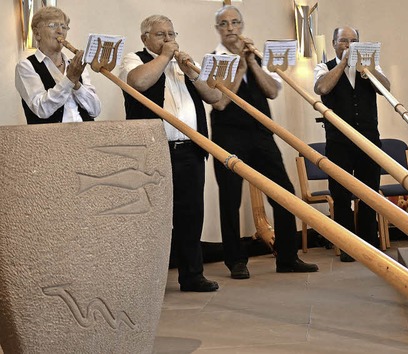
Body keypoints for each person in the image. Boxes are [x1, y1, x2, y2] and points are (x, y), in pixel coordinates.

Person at [210, 5, 318, 279]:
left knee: (283, 191)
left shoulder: (257, 57)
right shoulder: (212, 59)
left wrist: (252, 63)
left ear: (242, 26)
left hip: (261, 134)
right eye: (225, 24)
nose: (231, 28)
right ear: (218, 30)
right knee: (230, 198)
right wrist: (239, 68)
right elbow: (220, 102)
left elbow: (271, 91)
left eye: (235, 22)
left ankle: (288, 257)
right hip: (228, 134)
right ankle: (235, 260)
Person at [119, 15, 222, 292]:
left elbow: (215, 97)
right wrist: (164, 57)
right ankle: (148, 281)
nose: (168, 40)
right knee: (154, 217)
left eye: (171, 34)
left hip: (190, 151)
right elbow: (138, 83)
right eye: (160, 34)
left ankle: (192, 276)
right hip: (153, 153)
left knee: (191, 214)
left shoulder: (183, 64)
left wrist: (192, 72)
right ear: (145, 39)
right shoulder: (134, 58)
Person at [313, 26, 391, 262]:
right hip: (339, 143)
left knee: (369, 192)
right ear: (334, 44)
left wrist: (366, 69)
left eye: (354, 41)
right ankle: (347, 246)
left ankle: (369, 243)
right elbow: (322, 88)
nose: (349, 45)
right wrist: (342, 64)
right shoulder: (323, 67)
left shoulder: (368, 66)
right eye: (344, 41)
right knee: (341, 194)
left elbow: (386, 89)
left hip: (369, 140)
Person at [16, 6, 101, 124]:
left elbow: (95, 110)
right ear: (37, 34)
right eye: (53, 25)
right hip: (49, 139)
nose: (60, 31)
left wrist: (76, 84)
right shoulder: (26, 66)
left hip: (86, 136)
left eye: (64, 26)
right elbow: (42, 109)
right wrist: (69, 80)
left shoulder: (76, 66)